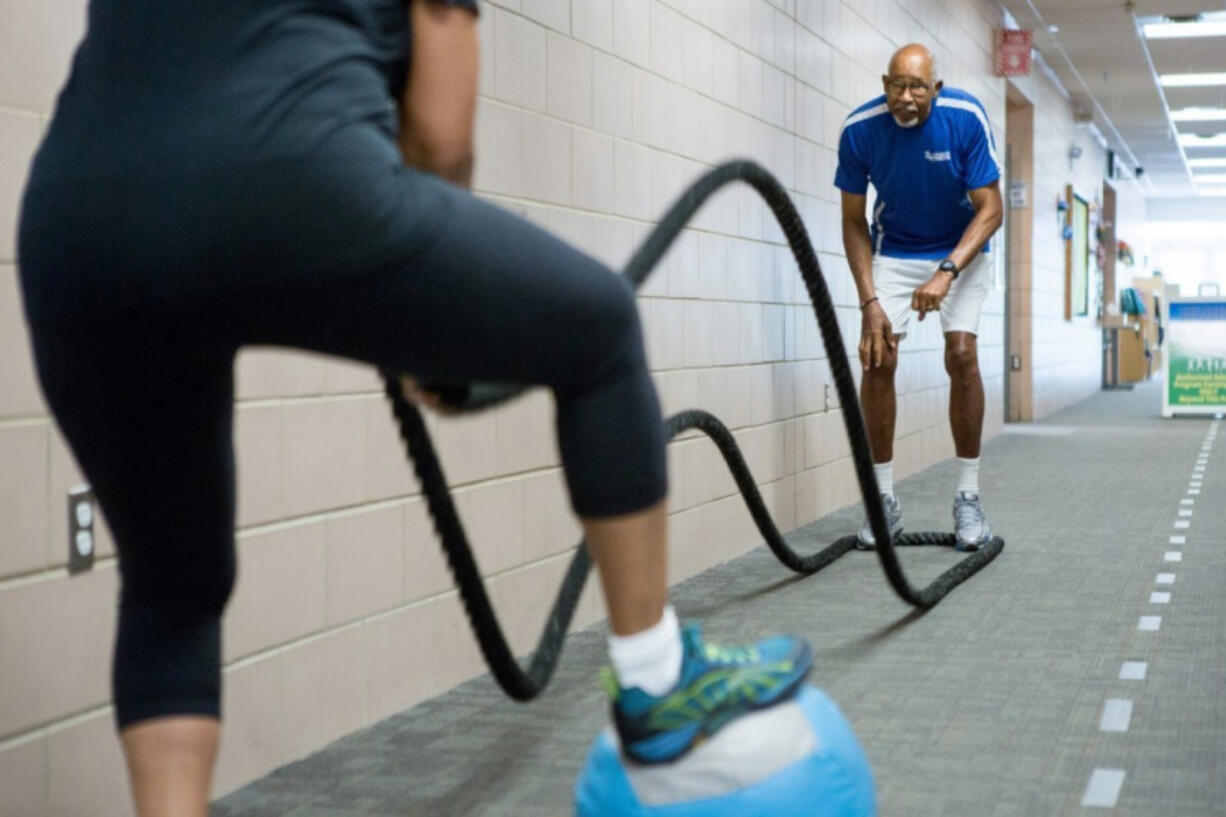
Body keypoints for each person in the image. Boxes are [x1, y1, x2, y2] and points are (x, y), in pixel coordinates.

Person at [17, 2, 812, 813]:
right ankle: (655, 679)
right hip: (288, 178)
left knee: (170, 588)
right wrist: (426, 329)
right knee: (602, 330)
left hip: (77, 229)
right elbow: (439, 133)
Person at [834, 44, 1003, 551]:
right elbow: (852, 221)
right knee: (877, 358)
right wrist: (870, 303)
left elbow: (992, 208)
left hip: (961, 247)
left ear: (937, 88)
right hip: (897, 249)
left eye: (918, 88)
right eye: (897, 86)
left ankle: (968, 497)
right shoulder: (859, 129)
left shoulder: (965, 118)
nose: (906, 98)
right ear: (885, 82)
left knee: (962, 355)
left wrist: (948, 271)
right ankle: (883, 500)